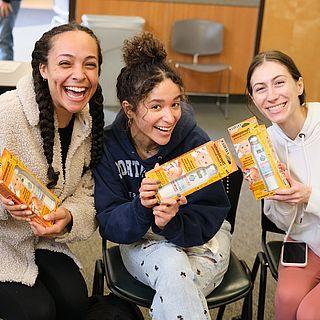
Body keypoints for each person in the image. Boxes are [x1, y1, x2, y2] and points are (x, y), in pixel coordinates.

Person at [94, 32, 232, 320]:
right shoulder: (110, 146)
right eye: (156, 106)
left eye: (175, 104)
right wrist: (141, 207)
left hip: (204, 243)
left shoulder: (195, 142)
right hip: (143, 242)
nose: (169, 117)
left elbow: (213, 213)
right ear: (129, 110)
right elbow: (109, 223)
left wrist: (173, 221)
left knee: (175, 281)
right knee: (173, 271)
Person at [0, 22, 105, 320]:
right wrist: (4, 204)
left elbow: (88, 188)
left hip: (45, 240)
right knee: (37, 312)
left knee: (74, 301)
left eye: (90, 65)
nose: (79, 75)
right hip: (2, 242)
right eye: (65, 63)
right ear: (43, 69)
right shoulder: (6, 113)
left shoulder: (89, 122)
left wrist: (70, 217)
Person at [246, 50, 320, 320]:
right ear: (253, 98)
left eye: (279, 83)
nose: (272, 96)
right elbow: (279, 221)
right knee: (288, 301)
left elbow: (307, 198)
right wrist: (280, 197)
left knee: (310, 313)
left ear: (298, 86)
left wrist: (308, 196)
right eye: (260, 88)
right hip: (307, 242)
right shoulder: (262, 143)